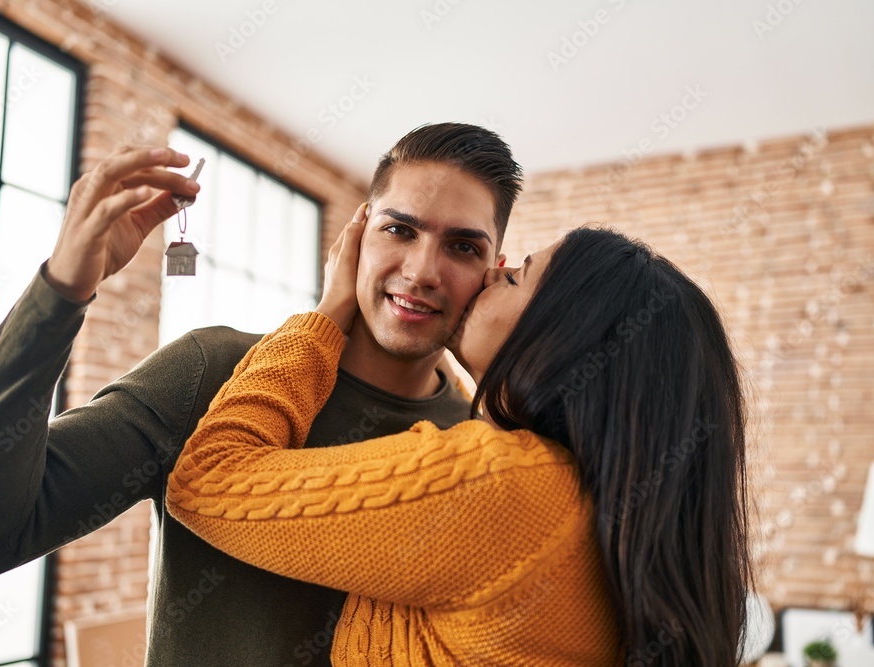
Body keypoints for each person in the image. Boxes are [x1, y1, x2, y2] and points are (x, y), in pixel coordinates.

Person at [0, 123, 524, 666]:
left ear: (494, 270)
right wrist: (61, 292)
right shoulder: (217, 371)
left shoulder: (480, 444)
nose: (421, 271)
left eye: (462, 247)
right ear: (359, 233)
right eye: (400, 229)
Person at [165, 217, 755, 665]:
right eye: (399, 229)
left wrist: (324, 317)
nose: (492, 273)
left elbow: (207, 480)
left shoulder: (499, 487)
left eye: (517, 274)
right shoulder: (601, 505)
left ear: (563, 340)